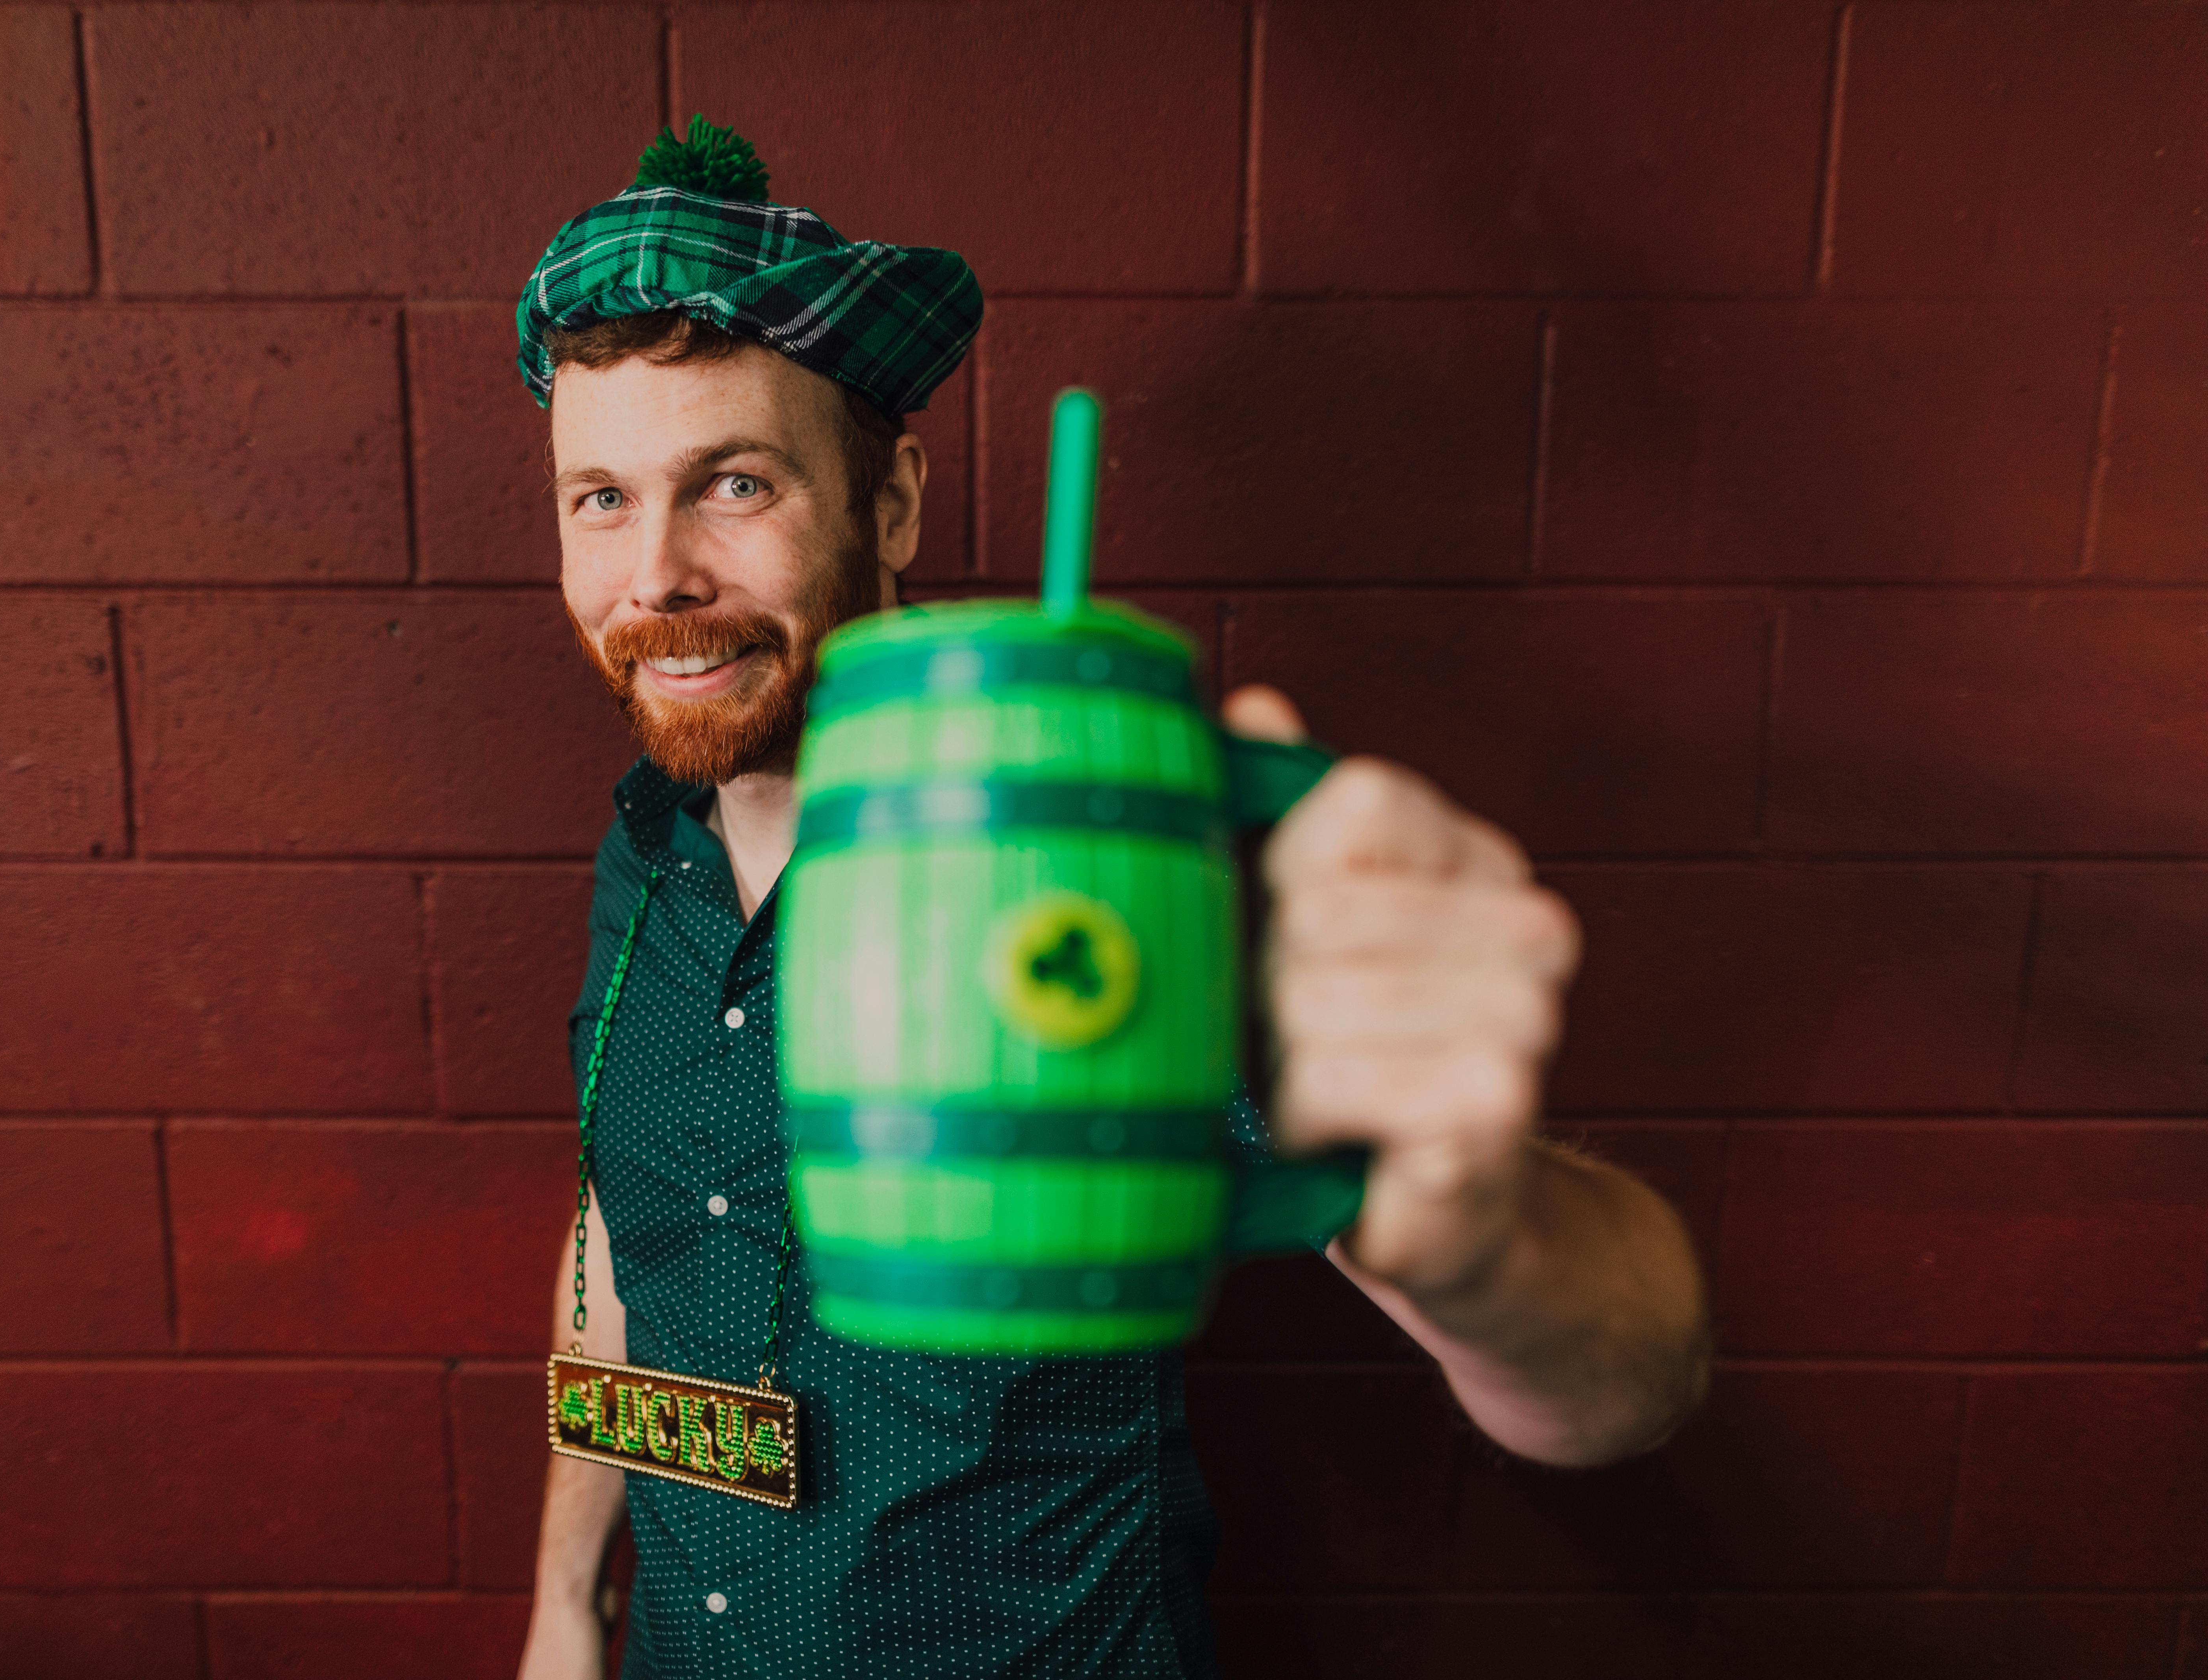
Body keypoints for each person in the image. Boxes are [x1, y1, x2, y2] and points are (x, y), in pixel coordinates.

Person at [515, 120, 1709, 1680]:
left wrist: (1474, 1236)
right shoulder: (647, 844)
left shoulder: (1067, 857)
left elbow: (1632, 1381)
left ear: (889, 505)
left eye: (732, 483)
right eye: (599, 498)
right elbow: (630, 1230)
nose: (654, 571)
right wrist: (562, 1606)